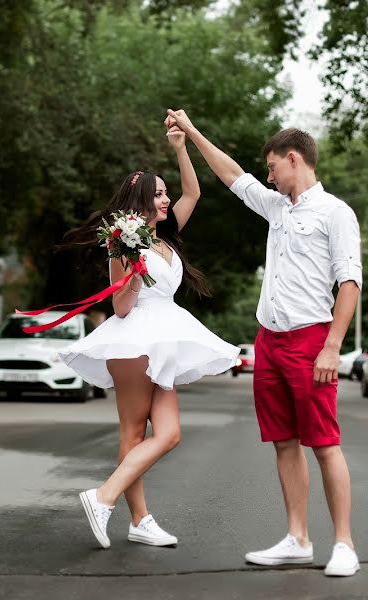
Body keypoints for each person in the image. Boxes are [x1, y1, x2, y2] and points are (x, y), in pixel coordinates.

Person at [164, 109, 363, 576]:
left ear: (294, 159)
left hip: (312, 339)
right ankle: (297, 538)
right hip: (269, 342)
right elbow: (232, 174)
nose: (267, 176)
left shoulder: (336, 213)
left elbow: (349, 283)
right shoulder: (275, 207)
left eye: (272, 167)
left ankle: (344, 544)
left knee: (325, 443)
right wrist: (192, 132)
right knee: (284, 442)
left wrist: (333, 346)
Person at [58, 126, 239, 550]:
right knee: (133, 432)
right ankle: (133, 515)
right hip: (133, 338)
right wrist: (134, 268)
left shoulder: (165, 236)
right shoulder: (124, 242)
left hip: (166, 337)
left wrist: (181, 147)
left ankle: (106, 498)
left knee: (170, 433)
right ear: (139, 202)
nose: (165, 199)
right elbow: (121, 307)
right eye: (157, 194)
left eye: (164, 193)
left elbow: (193, 194)